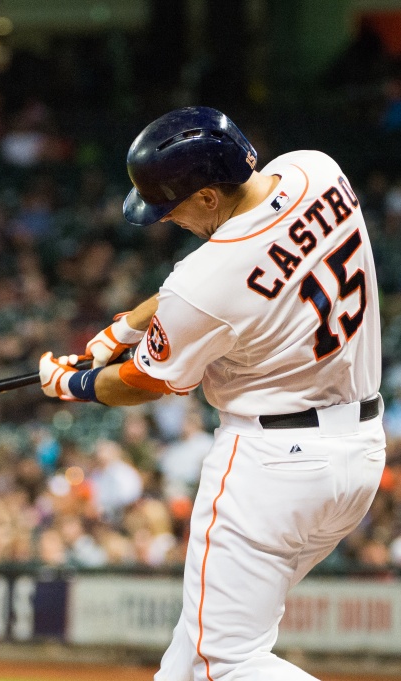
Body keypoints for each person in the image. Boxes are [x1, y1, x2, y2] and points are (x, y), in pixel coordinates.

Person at [39, 106, 384, 680]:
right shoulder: (315, 170)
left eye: (170, 207)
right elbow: (216, 278)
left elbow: (147, 379)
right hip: (356, 456)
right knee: (188, 657)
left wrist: (72, 383)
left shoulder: (203, 284)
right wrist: (123, 329)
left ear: (206, 197)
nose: (166, 219)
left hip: (271, 468)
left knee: (222, 662)